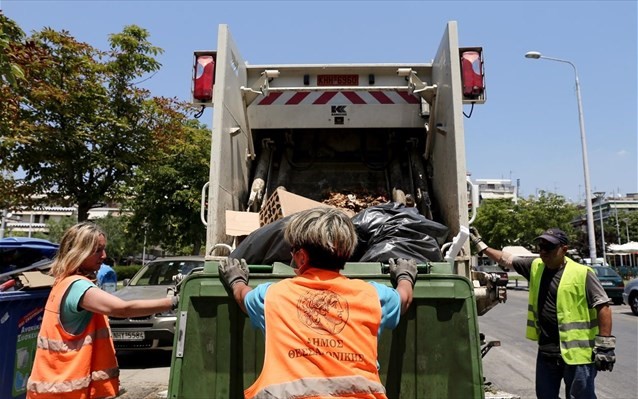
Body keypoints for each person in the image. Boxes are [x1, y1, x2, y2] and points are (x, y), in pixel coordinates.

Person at [219, 207, 416, 399]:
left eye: (293, 250)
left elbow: (242, 297)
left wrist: (236, 280)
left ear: (302, 257)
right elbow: (404, 299)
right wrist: (405, 275)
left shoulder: (272, 296)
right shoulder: (373, 296)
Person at [27, 222, 178, 399]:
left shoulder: (63, 282)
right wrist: (173, 302)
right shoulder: (78, 286)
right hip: (68, 392)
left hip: (55, 389)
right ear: (79, 252)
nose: (104, 255)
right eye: (98, 250)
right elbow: (121, 309)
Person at [470, 226, 615, 399]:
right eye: (541, 247)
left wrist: (605, 346)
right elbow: (506, 259)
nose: (543, 252)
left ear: (564, 249)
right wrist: (481, 246)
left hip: (578, 355)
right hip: (547, 352)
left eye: (549, 247)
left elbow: (603, 307)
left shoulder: (582, 273)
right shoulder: (536, 267)